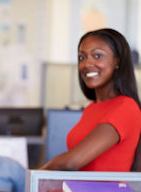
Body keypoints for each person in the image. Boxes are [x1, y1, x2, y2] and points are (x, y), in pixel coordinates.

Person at [41, 28, 141, 171]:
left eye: (97, 56)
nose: (87, 64)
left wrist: (37, 176)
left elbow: (72, 162)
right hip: (76, 191)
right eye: (82, 57)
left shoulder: (126, 108)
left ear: (117, 61)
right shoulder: (92, 108)